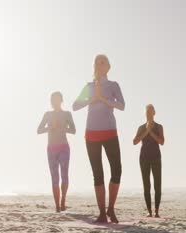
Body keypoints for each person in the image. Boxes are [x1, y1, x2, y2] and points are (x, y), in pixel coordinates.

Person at [72, 54, 125, 223]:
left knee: (117, 170)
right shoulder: (88, 86)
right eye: (97, 62)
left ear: (108, 67)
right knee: (98, 174)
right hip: (92, 133)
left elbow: (122, 105)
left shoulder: (113, 85)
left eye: (103, 62)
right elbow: (75, 106)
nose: (99, 65)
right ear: (94, 66)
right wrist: (91, 99)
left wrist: (104, 100)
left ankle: (111, 209)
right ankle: (102, 212)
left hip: (110, 131)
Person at [37, 91, 76, 213]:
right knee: (54, 177)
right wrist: (50, 127)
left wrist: (62, 128)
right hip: (51, 148)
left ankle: (63, 199)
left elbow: (73, 130)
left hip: (64, 147)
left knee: (64, 176)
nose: (54, 102)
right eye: (52, 100)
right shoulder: (47, 114)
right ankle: (57, 206)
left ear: (61, 100)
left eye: (57, 100)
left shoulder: (67, 114)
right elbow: (39, 130)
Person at [133, 104, 165, 218]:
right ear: (145, 114)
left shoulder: (159, 126)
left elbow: (162, 141)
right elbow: (135, 141)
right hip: (144, 158)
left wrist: (151, 132)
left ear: (154, 113)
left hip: (156, 157)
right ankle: (149, 211)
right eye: (147, 112)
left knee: (157, 185)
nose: (149, 114)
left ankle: (156, 211)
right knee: (146, 185)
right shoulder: (141, 127)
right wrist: (146, 131)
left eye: (151, 112)